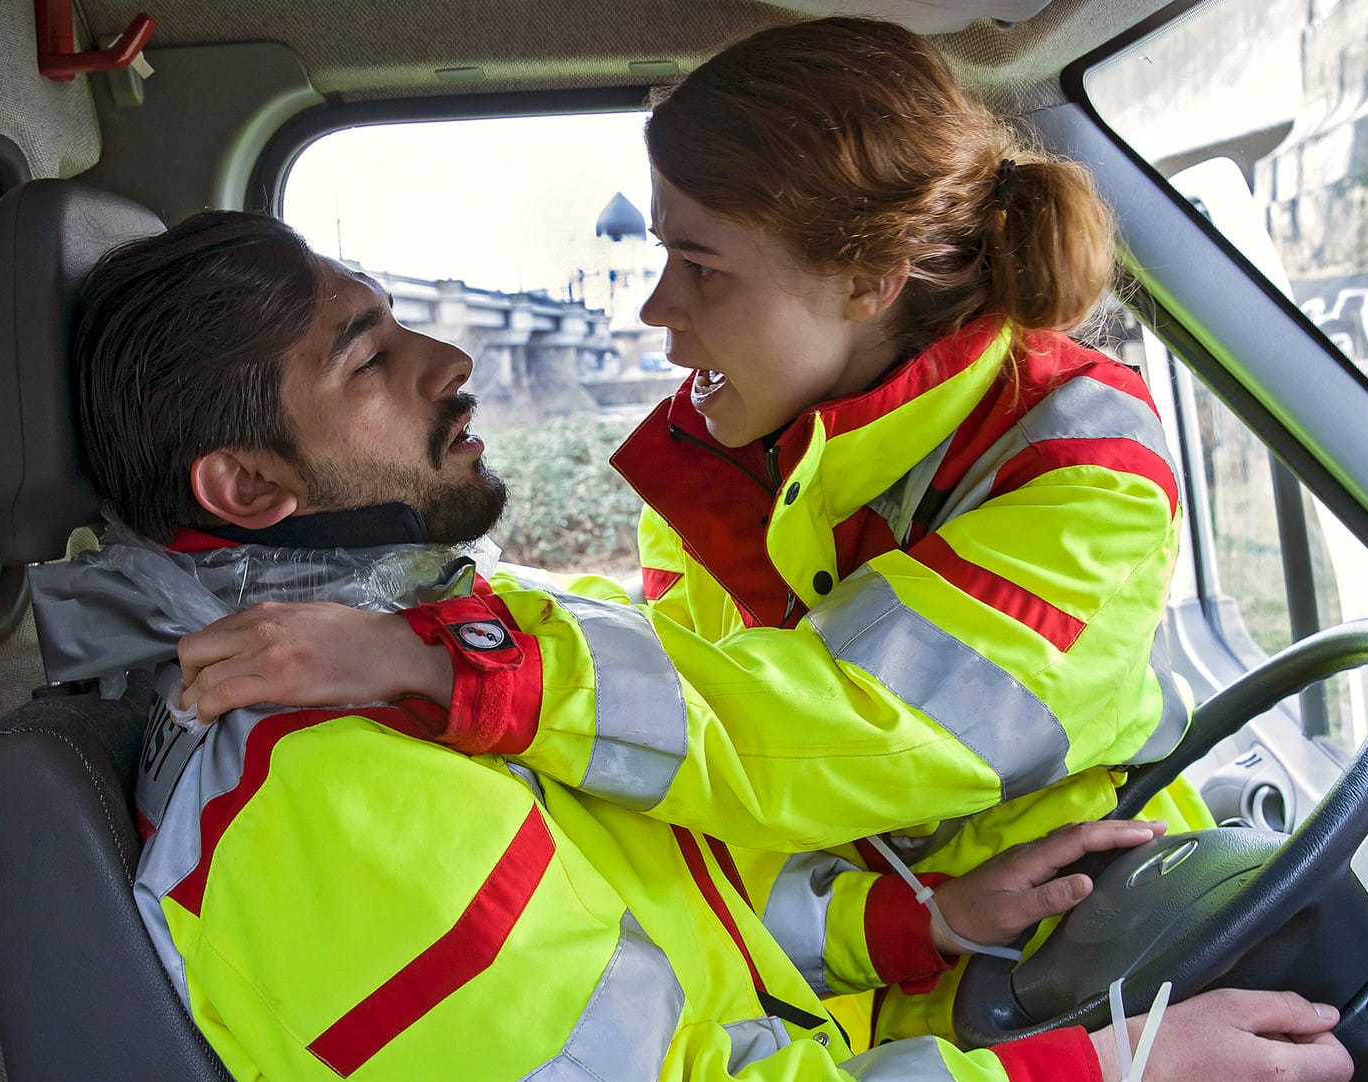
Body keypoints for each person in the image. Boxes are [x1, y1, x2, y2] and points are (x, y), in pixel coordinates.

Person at [34, 208, 1354, 1081]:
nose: (451, 360)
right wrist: (1118, 1065)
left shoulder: (404, 658)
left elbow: (649, 905)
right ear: (251, 491)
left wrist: (913, 919)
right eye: (370, 355)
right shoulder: (325, 786)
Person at [175, 15, 1205, 1044]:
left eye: (702, 267)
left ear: (869, 280)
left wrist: (465, 665)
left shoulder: (1073, 464)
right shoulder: (725, 462)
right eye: (666, 253)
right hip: (939, 985)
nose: (656, 310)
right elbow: (693, 782)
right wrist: (912, 925)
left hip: (1090, 930)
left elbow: (813, 735)